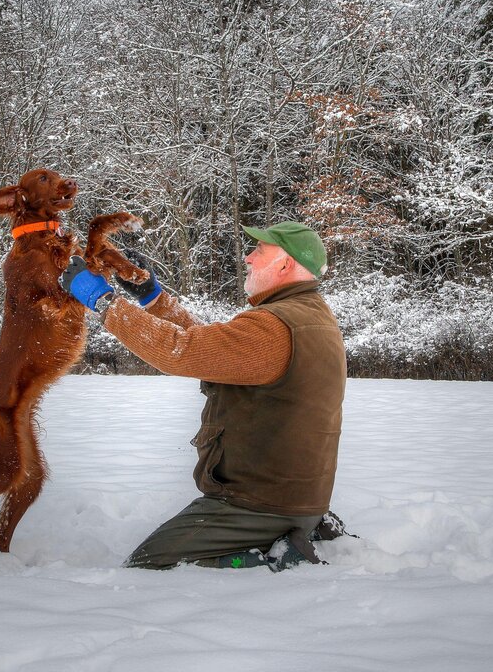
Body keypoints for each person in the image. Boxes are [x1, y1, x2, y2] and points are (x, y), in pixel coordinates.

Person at [59, 221, 349, 571]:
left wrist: (104, 301)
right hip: (289, 498)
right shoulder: (304, 315)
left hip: (258, 505)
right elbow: (208, 347)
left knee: (149, 567)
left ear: (286, 265)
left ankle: (272, 559)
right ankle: (299, 530)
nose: (248, 258)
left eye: (259, 252)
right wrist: (153, 297)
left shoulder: (275, 326)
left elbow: (178, 351)